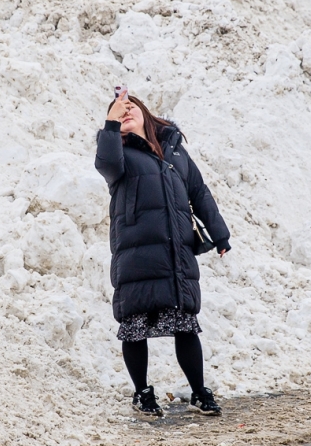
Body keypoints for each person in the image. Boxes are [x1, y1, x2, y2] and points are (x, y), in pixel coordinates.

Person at [94, 89, 231, 418]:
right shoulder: (120, 153)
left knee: (185, 323)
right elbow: (106, 162)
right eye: (119, 111)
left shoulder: (175, 152)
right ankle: (142, 393)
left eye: (130, 108)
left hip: (176, 254)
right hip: (137, 256)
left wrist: (219, 233)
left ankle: (199, 392)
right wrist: (110, 124)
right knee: (135, 325)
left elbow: (199, 192)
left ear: (144, 111)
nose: (126, 113)